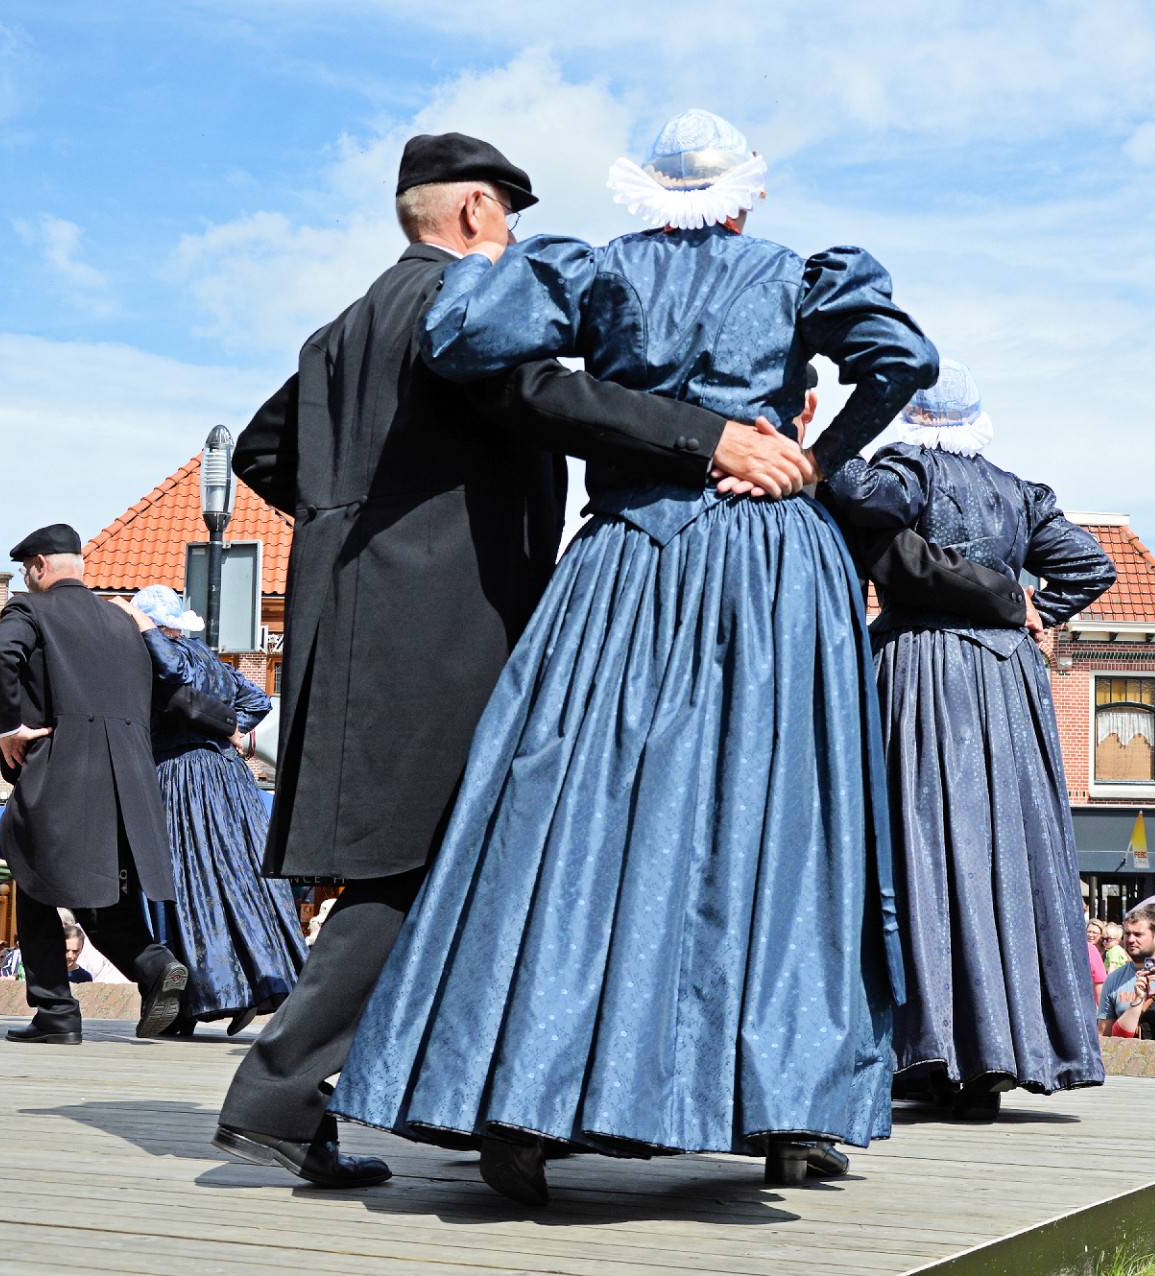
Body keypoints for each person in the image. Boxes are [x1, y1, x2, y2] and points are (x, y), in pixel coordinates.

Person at [320, 112, 1004, 1206]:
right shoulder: (793, 276)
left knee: (568, 817)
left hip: (628, 557)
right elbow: (904, 360)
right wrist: (810, 460)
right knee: (783, 826)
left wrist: (612, 403)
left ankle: (525, 1103)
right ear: (742, 197)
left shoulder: (595, 272)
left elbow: (463, 339)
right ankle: (792, 1113)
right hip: (771, 562)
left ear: (643, 194)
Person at [821, 360, 1114, 1118]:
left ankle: (932, 1051)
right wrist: (1033, 607)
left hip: (923, 669)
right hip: (1008, 682)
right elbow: (1091, 564)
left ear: (913, 415)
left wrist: (845, 430)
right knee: (1007, 855)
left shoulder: (909, 471)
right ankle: (1002, 1053)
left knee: (920, 850)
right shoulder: (1020, 492)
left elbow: (853, 491)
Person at [0, 524, 193, 1044]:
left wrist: (9, 727)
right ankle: (154, 964)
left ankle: (55, 1010)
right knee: (100, 894)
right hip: (131, 782)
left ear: (37, 567)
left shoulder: (29, 611)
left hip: (62, 769)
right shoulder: (123, 621)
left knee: (32, 879)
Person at [118, 585, 305, 1037]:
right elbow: (259, 703)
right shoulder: (213, 661)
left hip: (179, 778)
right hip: (230, 779)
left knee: (185, 883)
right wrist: (230, 732)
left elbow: (171, 668)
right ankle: (259, 985)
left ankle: (199, 999)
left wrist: (138, 625)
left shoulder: (165, 659)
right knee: (241, 880)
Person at [1098, 909, 1155, 1035]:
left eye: (1138, 934)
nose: (1131, 939)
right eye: (1127, 934)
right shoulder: (1113, 979)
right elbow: (1104, 1034)